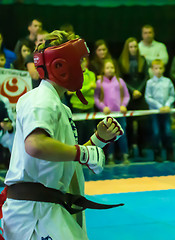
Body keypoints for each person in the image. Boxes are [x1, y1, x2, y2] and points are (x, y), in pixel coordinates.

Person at [1, 30, 123, 240]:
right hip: (35, 213)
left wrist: (97, 141)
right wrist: (83, 153)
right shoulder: (41, 99)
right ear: (60, 66)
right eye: (80, 61)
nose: (84, 68)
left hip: (48, 208)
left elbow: (62, 157)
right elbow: (35, 145)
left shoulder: (59, 106)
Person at [94, 58, 130, 164]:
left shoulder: (120, 81)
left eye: (112, 67)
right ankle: (110, 157)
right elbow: (96, 98)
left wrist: (123, 105)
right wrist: (102, 107)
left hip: (120, 114)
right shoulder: (99, 83)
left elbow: (126, 96)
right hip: (108, 115)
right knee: (109, 136)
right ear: (103, 69)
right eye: (107, 67)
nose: (110, 69)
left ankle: (125, 155)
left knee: (122, 135)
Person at [118, 37, 149, 158]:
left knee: (143, 124)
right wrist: (132, 91)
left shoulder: (142, 60)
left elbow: (146, 77)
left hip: (140, 95)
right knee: (129, 125)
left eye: (135, 46)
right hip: (128, 95)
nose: (133, 49)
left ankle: (142, 148)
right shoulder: (121, 61)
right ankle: (130, 147)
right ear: (127, 48)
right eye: (131, 47)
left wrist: (139, 90)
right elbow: (121, 79)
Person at [145, 59, 175, 162]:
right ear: (152, 70)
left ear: (164, 69)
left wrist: (167, 105)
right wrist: (159, 106)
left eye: (160, 68)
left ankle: (170, 152)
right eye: (156, 68)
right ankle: (157, 153)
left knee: (168, 132)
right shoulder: (149, 83)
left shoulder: (168, 81)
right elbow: (148, 97)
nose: (158, 70)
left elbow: (172, 95)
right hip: (155, 112)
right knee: (156, 132)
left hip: (166, 111)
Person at [68, 57, 97, 145]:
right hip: (77, 106)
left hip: (89, 106)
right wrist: (88, 87)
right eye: (79, 61)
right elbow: (71, 91)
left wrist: (78, 90)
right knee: (78, 132)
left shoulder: (91, 74)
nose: (82, 63)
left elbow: (92, 91)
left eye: (83, 60)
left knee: (90, 132)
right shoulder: (72, 75)